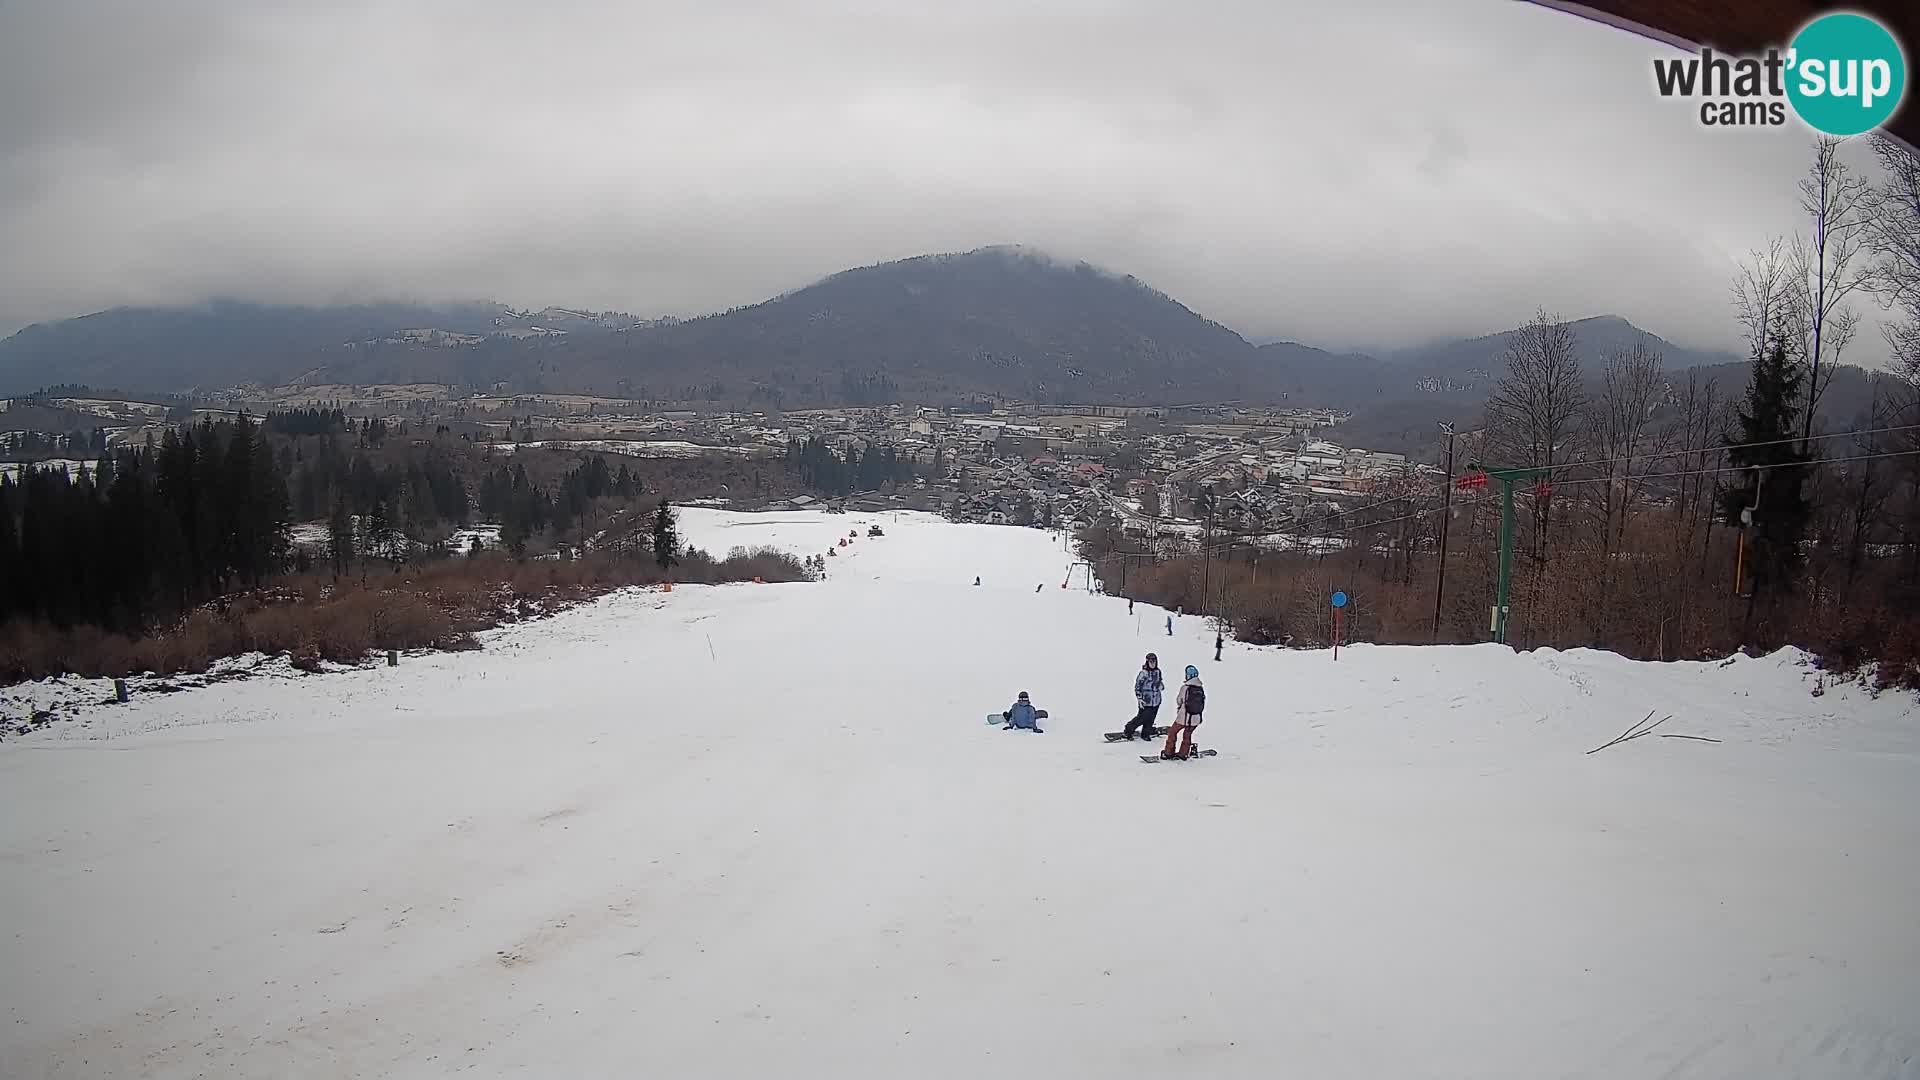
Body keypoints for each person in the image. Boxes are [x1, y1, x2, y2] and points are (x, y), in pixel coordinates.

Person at [1162, 665, 1206, 760]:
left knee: (1172, 732)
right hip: (1195, 718)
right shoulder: (1200, 688)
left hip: (1183, 718)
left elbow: (1179, 700)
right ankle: (1183, 754)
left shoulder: (1185, 688)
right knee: (1187, 735)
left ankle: (1168, 752)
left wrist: (1180, 709)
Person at [1122, 653, 1163, 740]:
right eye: (1151, 661)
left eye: (1154, 661)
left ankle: (1146, 733)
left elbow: (1159, 682)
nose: (1153, 663)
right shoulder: (1143, 673)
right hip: (1146, 700)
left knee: (1151, 718)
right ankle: (1128, 730)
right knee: (1141, 718)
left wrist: (1160, 686)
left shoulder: (1158, 672)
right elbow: (1137, 687)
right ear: (1147, 662)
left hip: (1156, 700)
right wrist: (1139, 698)